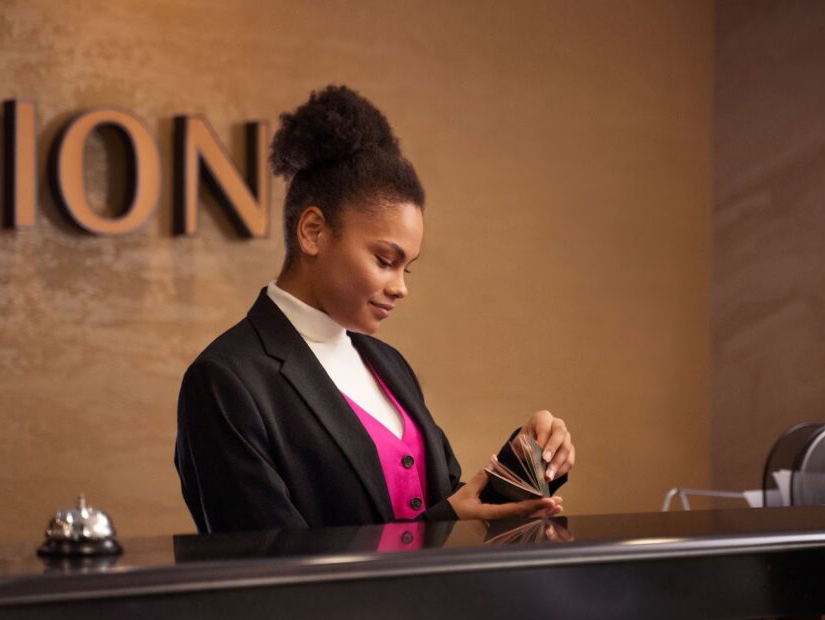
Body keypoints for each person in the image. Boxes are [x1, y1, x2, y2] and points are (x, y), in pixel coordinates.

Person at [175, 85, 575, 533]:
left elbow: (450, 509)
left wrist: (523, 465)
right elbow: (269, 563)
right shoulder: (224, 381)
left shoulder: (388, 365)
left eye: (408, 267)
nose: (400, 287)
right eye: (385, 261)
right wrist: (442, 520)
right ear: (312, 232)